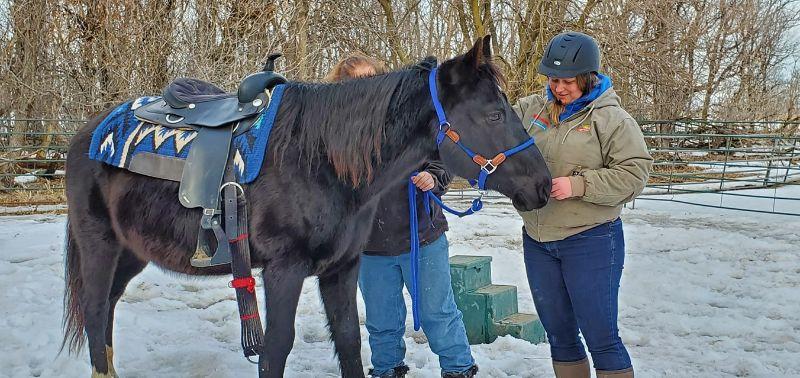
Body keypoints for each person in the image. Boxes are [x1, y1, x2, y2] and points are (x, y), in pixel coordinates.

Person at [325, 54, 479, 378]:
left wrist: (433, 177)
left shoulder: (410, 117)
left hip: (421, 236)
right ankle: (387, 370)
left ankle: (458, 368)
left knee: (438, 313)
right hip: (369, 245)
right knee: (381, 320)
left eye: (371, 77)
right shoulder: (335, 134)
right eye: (356, 82)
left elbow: (442, 157)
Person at [512, 32, 653, 378]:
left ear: (588, 77)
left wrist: (578, 185)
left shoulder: (612, 119)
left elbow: (634, 174)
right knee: (560, 337)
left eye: (568, 81)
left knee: (601, 337)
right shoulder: (532, 109)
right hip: (538, 240)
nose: (559, 88)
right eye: (553, 79)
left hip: (591, 239)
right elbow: (492, 132)